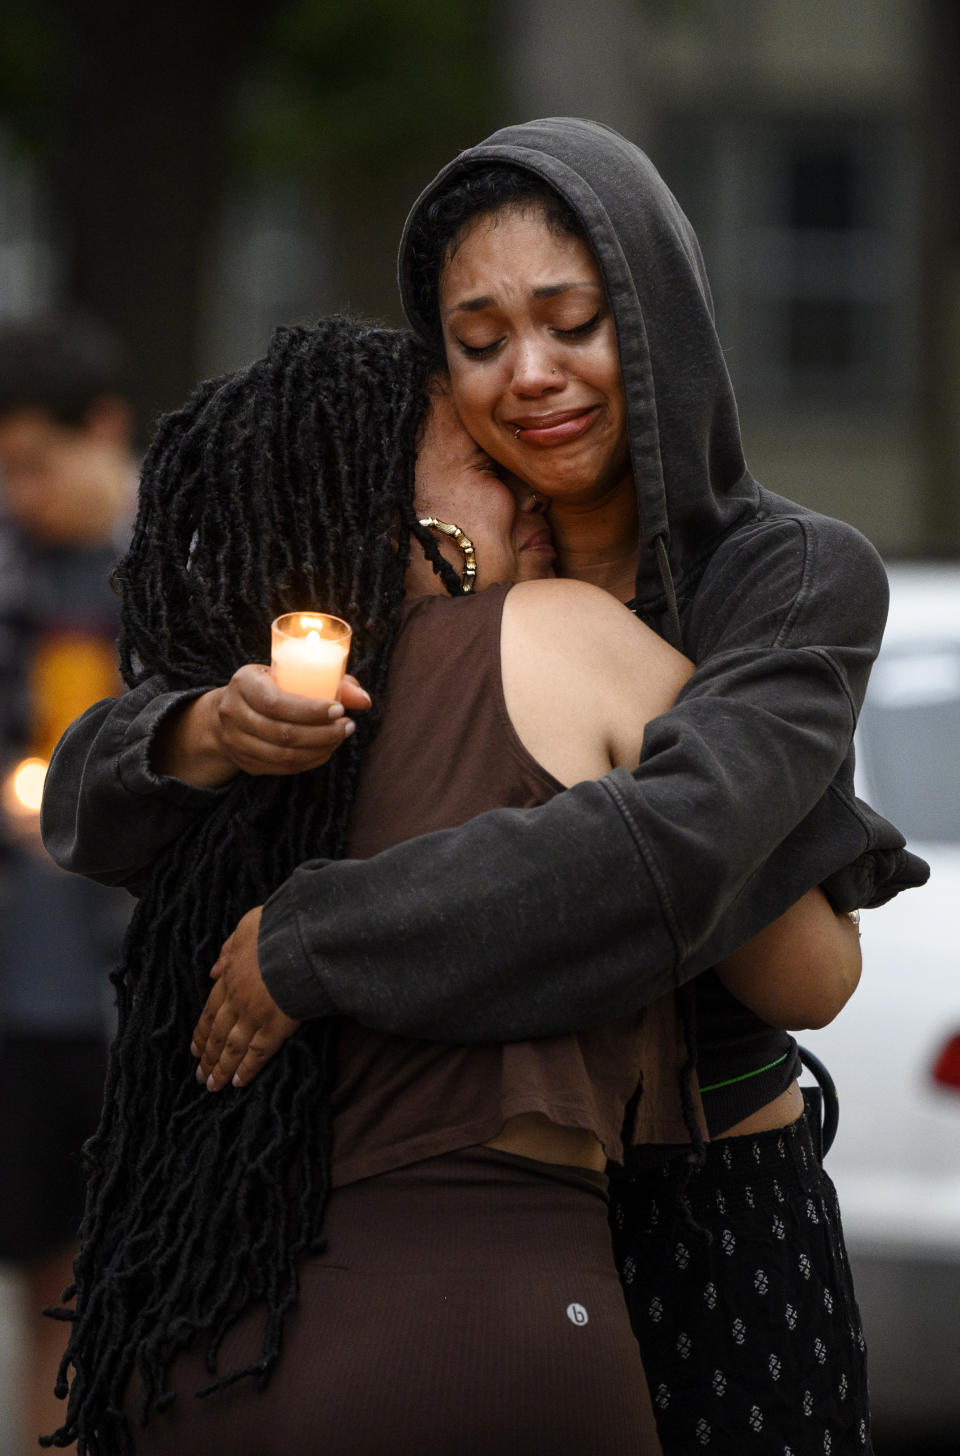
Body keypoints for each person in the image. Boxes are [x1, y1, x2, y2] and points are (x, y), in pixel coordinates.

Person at [188, 120, 930, 1453]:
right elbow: (118, 788)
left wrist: (321, 934)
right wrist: (193, 729)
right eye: (478, 343)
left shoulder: (792, 575)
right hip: (474, 1215)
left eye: (573, 321)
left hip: (716, 1209)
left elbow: (736, 901)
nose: (531, 376)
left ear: (655, 324)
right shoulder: (416, 587)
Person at [39, 318, 861, 1453]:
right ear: (382, 498)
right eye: (486, 459)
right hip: (472, 1317)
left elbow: (79, 798)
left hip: (188, 1336)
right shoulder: (566, 633)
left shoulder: (248, 711)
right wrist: (771, 744)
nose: (529, 481)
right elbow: (814, 967)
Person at [0, 313, 135, 1455]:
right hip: (18, 990)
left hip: (130, 988)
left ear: (103, 430)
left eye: (35, 463)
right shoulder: (8, 569)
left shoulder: (186, 559)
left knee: (99, 1277)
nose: (22, 493)